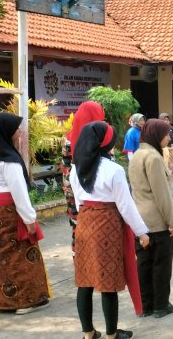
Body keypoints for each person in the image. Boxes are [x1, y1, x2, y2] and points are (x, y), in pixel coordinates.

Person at [70, 121, 150, 339]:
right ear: (105, 143)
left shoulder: (76, 167)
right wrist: (141, 232)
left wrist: (89, 216)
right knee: (108, 282)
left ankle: (88, 334)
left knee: (84, 280)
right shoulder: (114, 170)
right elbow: (125, 206)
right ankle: (111, 335)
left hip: (84, 223)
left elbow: (79, 202)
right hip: (107, 225)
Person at [0, 111, 51, 315]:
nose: (19, 133)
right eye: (16, 129)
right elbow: (19, 193)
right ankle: (27, 300)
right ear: (6, 131)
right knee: (23, 255)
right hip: (8, 212)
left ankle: (3, 301)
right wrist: (29, 219)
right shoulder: (8, 159)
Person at [130, 119, 173, 318]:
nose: (168, 137)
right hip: (156, 220)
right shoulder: (153, 157)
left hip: (140, 220)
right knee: (161, 264)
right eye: (166, 133)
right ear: (157, 134)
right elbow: (162, 194)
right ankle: (160, 305)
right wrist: (172, 220)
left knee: (143, 263)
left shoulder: (136, 156)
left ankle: (146, 305)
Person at [61, 101, 106, 256]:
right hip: (93, 185)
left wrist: (69, 183)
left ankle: (78, 255)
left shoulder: (68, 138)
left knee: (76, 222)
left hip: (71, 186)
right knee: (95, 222)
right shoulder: (99, 136)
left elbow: (65, 164)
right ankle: (93, 257)